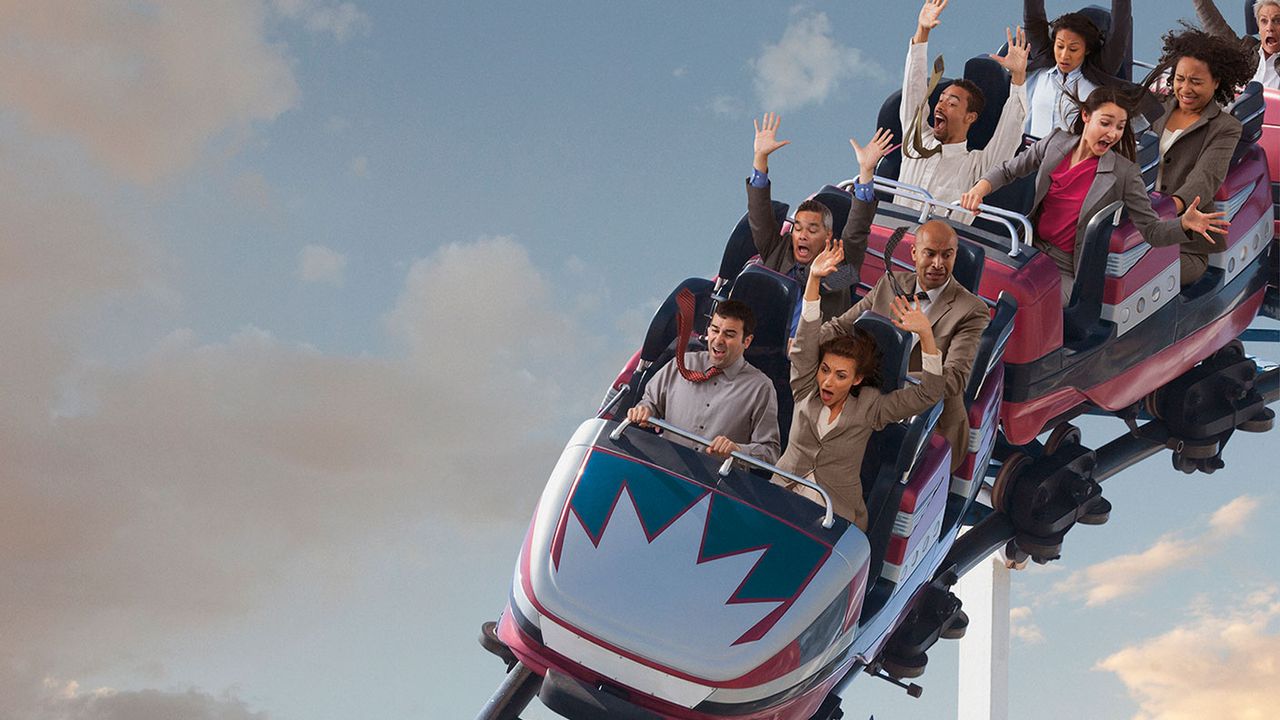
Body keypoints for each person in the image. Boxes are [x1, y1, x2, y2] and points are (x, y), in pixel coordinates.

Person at [960, 86, 1230, 303]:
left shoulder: (1124, 173)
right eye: (1106, 123)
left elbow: (1152, 231)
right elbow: (1009, 170)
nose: (1113, 133)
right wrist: (979, 189)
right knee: (973, 284)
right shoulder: (1055, 142)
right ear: (1086, 116)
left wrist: (1184, 225)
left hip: (1067, 269)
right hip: (1029, 250)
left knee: (1016, 299)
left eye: (1120, 127)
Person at [774, 240, 944, 530]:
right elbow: (805, 341)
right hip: (778, 497)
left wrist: (927, 336)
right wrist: (814, 280)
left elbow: (928, 394)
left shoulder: (869, 406)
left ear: (857, 379)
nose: (827, 381)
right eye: (825, 370)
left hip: (832, 514)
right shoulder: (806, 386)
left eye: (840, 376)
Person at [819, 208, 989, 475]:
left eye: (947, 255)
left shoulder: (972, 310)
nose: (938, 264)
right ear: (913, 254)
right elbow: (842, 325)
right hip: (866, 398)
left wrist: (899, 379)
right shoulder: (890, 283)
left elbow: (956, 378)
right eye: (930, 253)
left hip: (927, 418)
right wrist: (807, 342)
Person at [1140, 26, 1256, 284]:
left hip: (1186, 244)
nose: (1185, 88)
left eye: (1196, 81)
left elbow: (1205, 178)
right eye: (1180, 79)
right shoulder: (1155, 109)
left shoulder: (1225, 127)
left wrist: (1168, 210)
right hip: (1137, 227)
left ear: (1216, 82)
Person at [898, 0, 1030, 222]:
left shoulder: (977, 165)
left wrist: (1018, 78)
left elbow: (1010, 133)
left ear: (970, 117)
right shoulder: (915, 140)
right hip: (891, 241)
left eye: (952, 103)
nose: (940, 106)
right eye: (940, 100)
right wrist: (922, 31)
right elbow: (914, 89)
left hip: (942, 252)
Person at [627, 300, 781, 464]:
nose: (718, 340)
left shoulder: (761, 388)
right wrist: (644, 410)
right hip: (666, 470)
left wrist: (738, 450)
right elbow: (650, 403)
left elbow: (770, 452)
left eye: (729, 335)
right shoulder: (681, 364)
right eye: (715, 330)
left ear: (747, 341)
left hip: (717, 484)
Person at [747, 112, 858, 324]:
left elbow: (858, 231)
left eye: (812, 230)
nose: (802, 236)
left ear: (828, 235)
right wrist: (760, 158)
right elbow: (759, 215)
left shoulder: (843, 267)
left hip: (812, 351)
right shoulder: (777, 250)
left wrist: (866, 173)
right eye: (798, 228)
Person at [1023, 0, 1133, 137]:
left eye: (1073, 49)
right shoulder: (1043, 59)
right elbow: (1033, 19)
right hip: (1030, 153)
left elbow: (1119, 33)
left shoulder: (1100, 70)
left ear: (1087, 50)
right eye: (1060, 46)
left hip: (1074, 156)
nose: (1064, 56)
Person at [1195, 0, 1280, 88]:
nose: (1269, 28)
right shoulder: (1246, 51)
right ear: (1258, 27)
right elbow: (1214, 26)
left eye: (1277, 21)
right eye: (1264, 21)